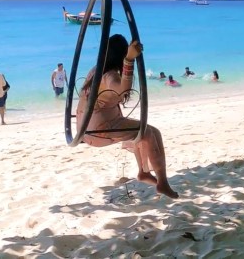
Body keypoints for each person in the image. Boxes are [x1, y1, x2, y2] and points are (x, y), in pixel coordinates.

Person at [76, 34, 178, 199]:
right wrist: (129, 60)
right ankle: (162, 182)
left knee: (150, 131)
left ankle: (144, 172)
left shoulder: (96, 69)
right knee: (147, 133)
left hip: (87, 129)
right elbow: (123, 90)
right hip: (99, 131)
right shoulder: (109, 76)